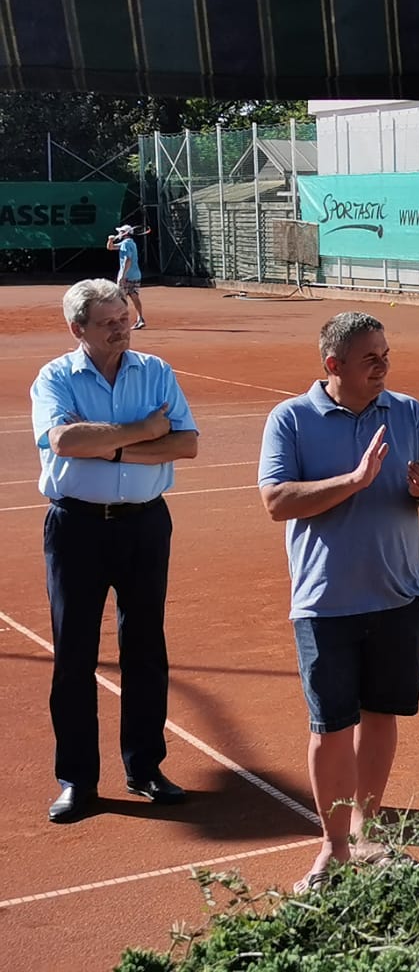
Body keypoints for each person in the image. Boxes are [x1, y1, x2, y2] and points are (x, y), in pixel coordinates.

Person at [257, 312, 419, 890]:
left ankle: (368, 834)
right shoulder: (290, 419)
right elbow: (276, 501)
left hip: (398, 595)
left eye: (386, 355)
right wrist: (353, 481)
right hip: (325, 603)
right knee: (330, 727)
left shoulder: (408, 412)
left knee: (381, 715)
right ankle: (334, 847)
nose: (383, 366)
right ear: (333, 364)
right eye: (371, 358)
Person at [30, 279, 199, 823]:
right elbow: (64, 442)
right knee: (74, 655)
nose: (121, 329)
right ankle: (77, 780)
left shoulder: (156, 371)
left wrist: (111, 447)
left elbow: (186, 443)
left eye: (123, 318)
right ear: (77, 328)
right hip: (75, 528)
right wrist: (142, 431)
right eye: (107, 323)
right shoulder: (55, 377)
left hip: (145, 525)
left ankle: (145, 768)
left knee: (146, 649)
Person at [106, 225, 148, 330]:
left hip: (127, 276)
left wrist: (123, 275)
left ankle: (121, 321)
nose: (119, 234)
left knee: (120, 299)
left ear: (125, 233)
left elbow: (127, 260)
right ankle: (140, 319)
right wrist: (110, 240)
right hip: (136, 275)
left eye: (120, 232)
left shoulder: (125, 244)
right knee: (134, 296)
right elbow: (110, 247)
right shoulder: (130, 243)